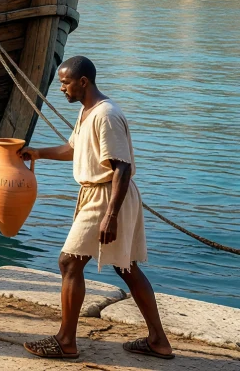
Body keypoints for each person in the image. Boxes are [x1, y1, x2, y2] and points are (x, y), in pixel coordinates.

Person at [21, 56, 172, 361]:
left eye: (65, 83)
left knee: (69, 263)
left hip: (108, 197)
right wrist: (36, 152)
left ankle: (66, 341)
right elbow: (73, 149)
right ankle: (158, 341)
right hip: (98, 195)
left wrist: (111, 216)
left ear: (83, 82)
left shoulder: (106, 115)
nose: (61, 89)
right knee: (126, 267)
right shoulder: (87, 111)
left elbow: (122, 168)